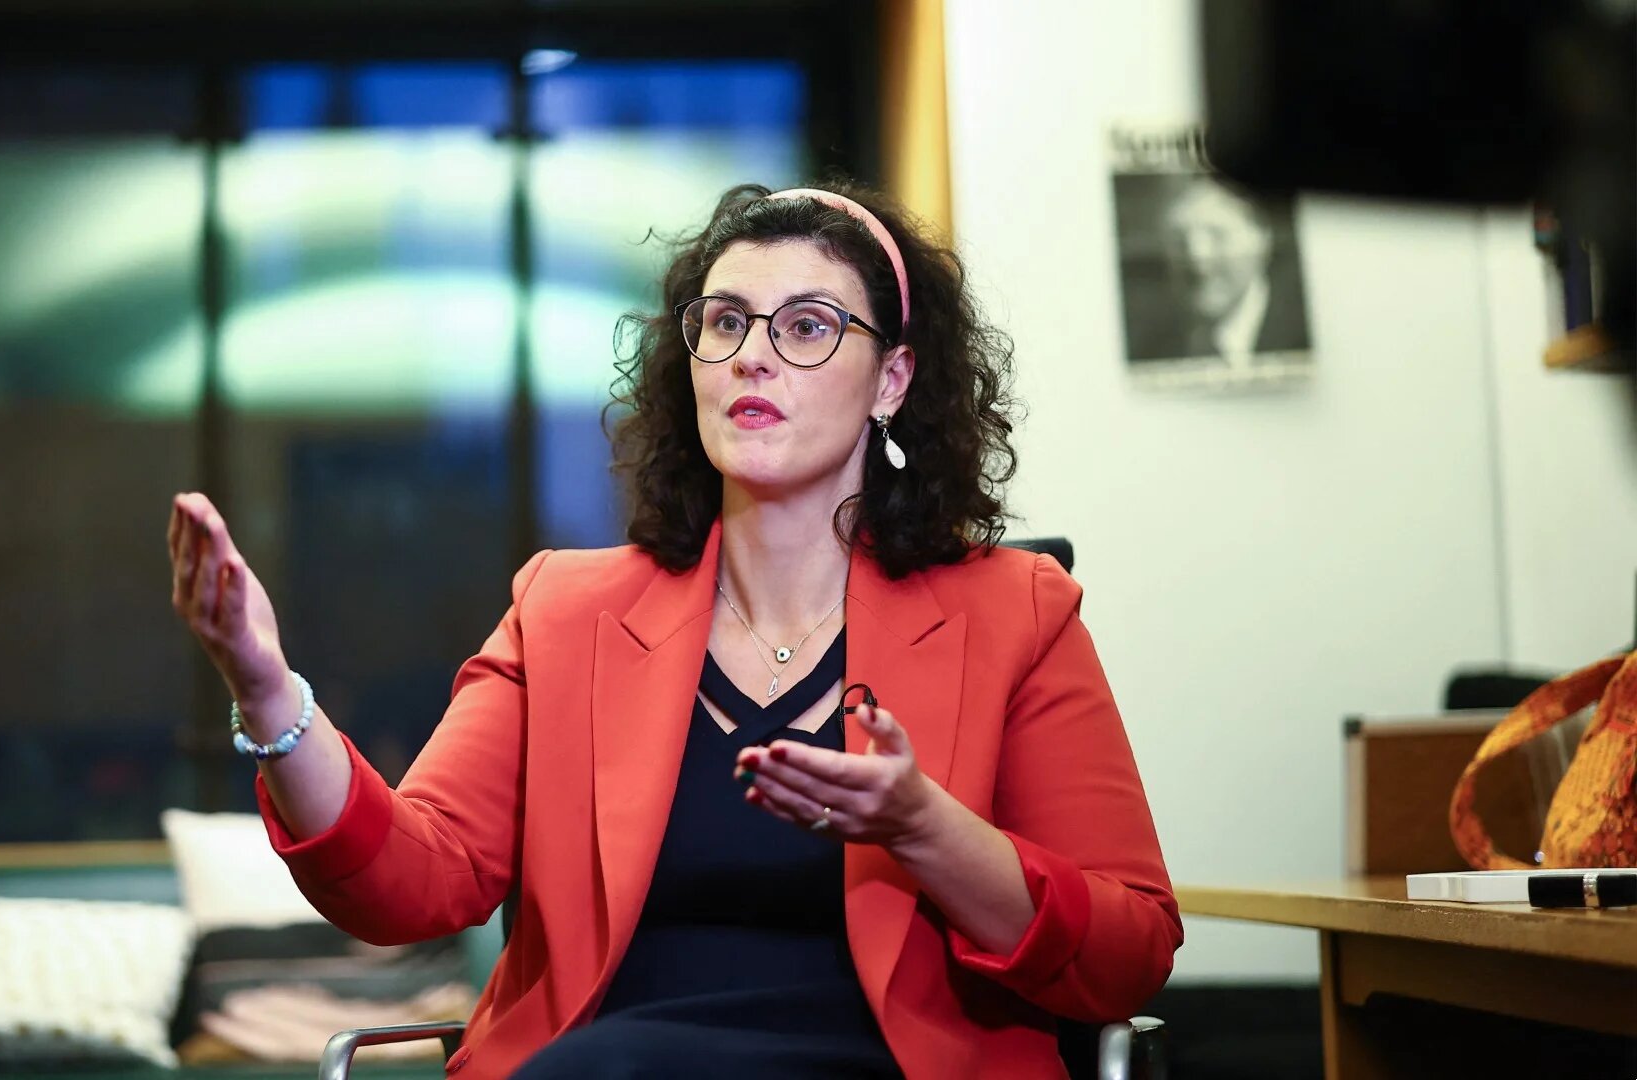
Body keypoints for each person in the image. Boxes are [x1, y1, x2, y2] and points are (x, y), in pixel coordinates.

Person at [167, 181, 1181, 1079]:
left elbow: (1128, 954)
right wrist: (267, 691)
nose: (754, 357)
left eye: (810, 326)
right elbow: (408, 885)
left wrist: (924, 828)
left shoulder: (1017, 609)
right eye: (727, 322)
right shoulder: (564, 609)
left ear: (893, 381)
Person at [1144, 176, 1308, 366]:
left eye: (1217, 236)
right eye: (1179, 241)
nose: (1197, 260)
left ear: (1262, 238)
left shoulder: (1306, 331)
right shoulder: (1151, 348)